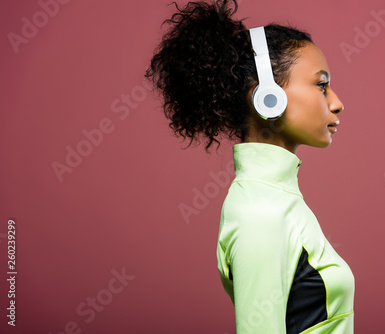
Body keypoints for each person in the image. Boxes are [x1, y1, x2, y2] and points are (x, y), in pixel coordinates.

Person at [145, 0, 355, 333]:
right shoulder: (260, 212)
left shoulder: (277, 199)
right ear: (267, 96)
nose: (337, 102)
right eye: (320, 85)